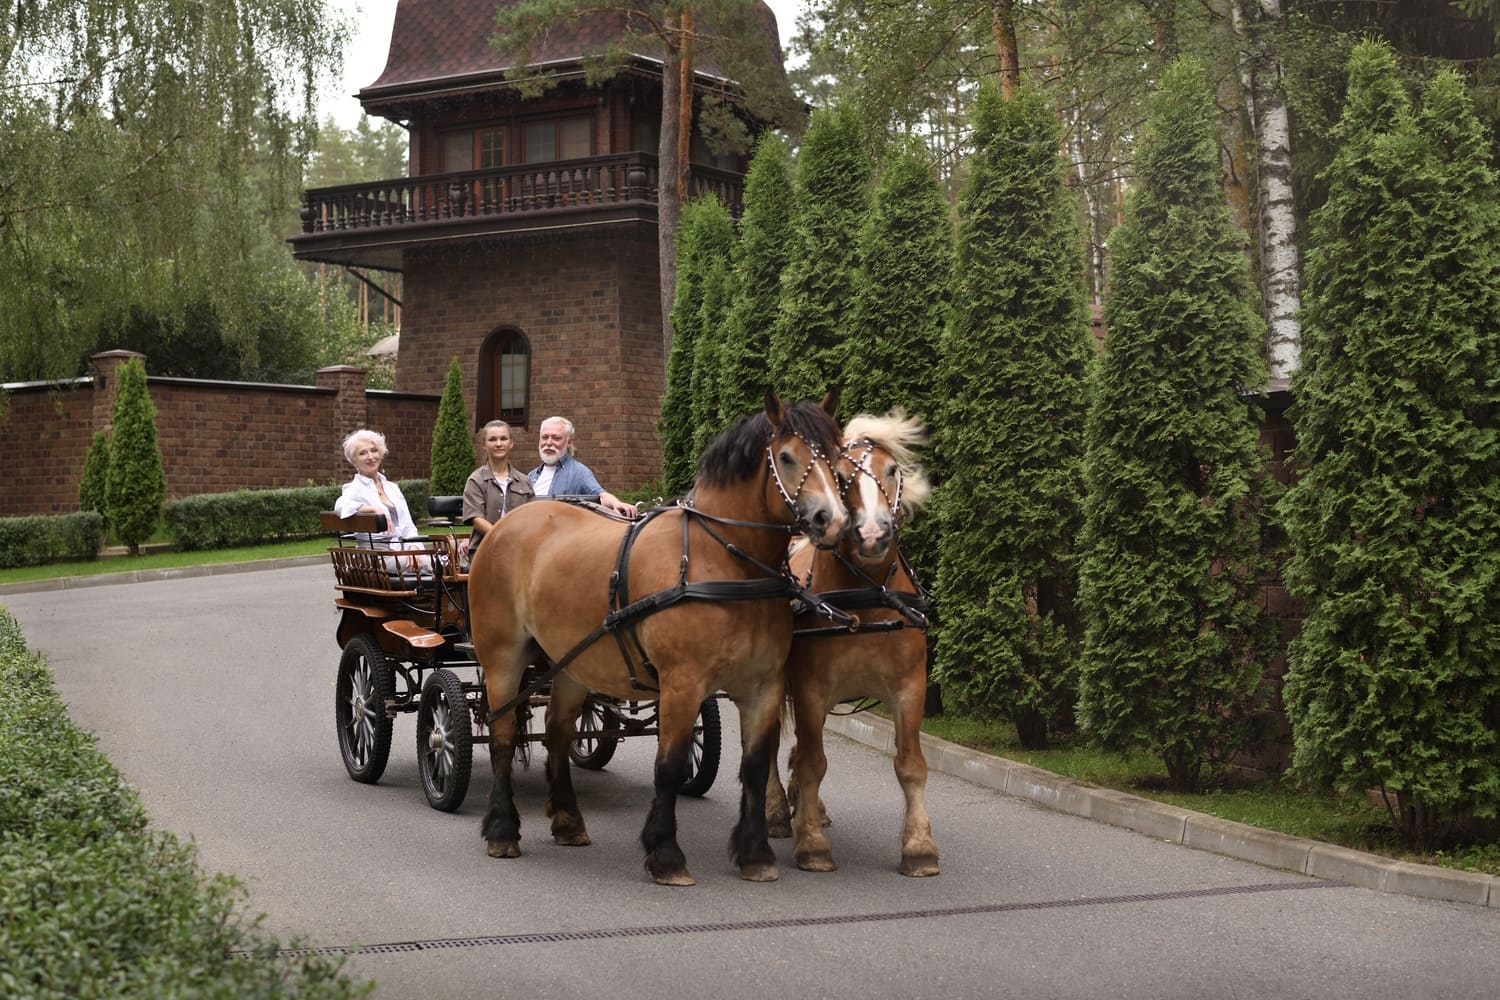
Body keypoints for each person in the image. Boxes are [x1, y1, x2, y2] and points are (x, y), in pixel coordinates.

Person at [334, 428, 425, 569]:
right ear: (354, 461)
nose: (371, 457)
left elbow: (408, 527)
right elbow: (340, 506)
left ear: (381, 453)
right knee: (436, 565)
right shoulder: (354, 488)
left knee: (442, 561)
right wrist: (372, 509)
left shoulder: (392, 488)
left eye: (374, 450)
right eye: (363, 453)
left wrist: (413, 547)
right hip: (374, 556)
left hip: (400, 550)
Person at [529, 415, 639, 518]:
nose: (548, 443)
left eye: (556, 438)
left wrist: (616, 503)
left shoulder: (579, 472)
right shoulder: (531, 475)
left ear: (569, 443)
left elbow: (601, 495)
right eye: (544, 437)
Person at [459, 419, 535, 559]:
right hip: (485, 551)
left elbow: (532, 517)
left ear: (511, 443)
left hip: (520, 550)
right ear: (484, 445)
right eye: (493, 439)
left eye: (503, 439)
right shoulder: (476, 480)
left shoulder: (524, 481)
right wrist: (503, 538)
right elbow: (476, 518)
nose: (499, 444)